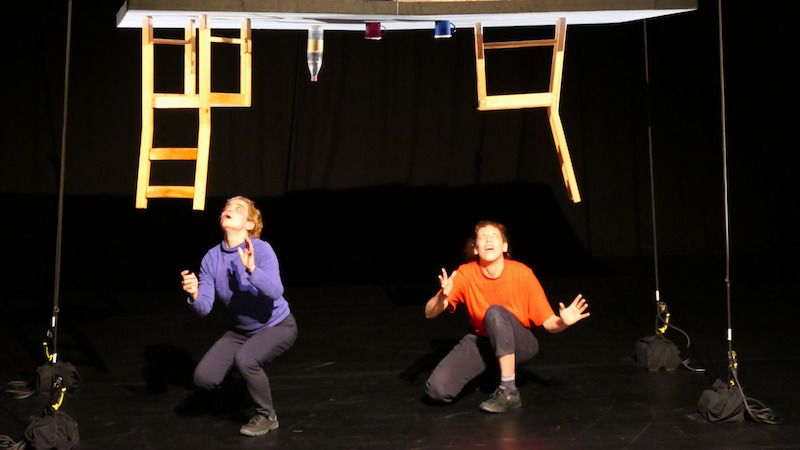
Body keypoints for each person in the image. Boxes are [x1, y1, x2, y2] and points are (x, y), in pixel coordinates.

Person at [424, 220, 590, 413]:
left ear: (504, 246)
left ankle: (508, 390)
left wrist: (563, 322)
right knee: (437, 390)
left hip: (520, 342)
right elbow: (429, 312)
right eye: (483, 237)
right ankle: (491, 371)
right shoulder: (465, 273)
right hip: (483, 341)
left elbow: (549, 324)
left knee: (495, 312)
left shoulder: (522, 274)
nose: (488, 240)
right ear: (475, 248)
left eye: (494, 236)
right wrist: (442, 297)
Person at [180, 196, 297, 436]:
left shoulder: (261, 250)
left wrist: (252, 270)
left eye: (238, 208)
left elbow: (276, 291)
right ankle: (244, 390)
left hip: (277, 326)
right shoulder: (211, 258)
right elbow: (204, 309)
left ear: (250, 224)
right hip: (241, 332)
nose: (229, 209)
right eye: (227, 206)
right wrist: (194, 294)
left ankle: (267, 416)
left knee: (246, 360)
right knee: (203, 378)